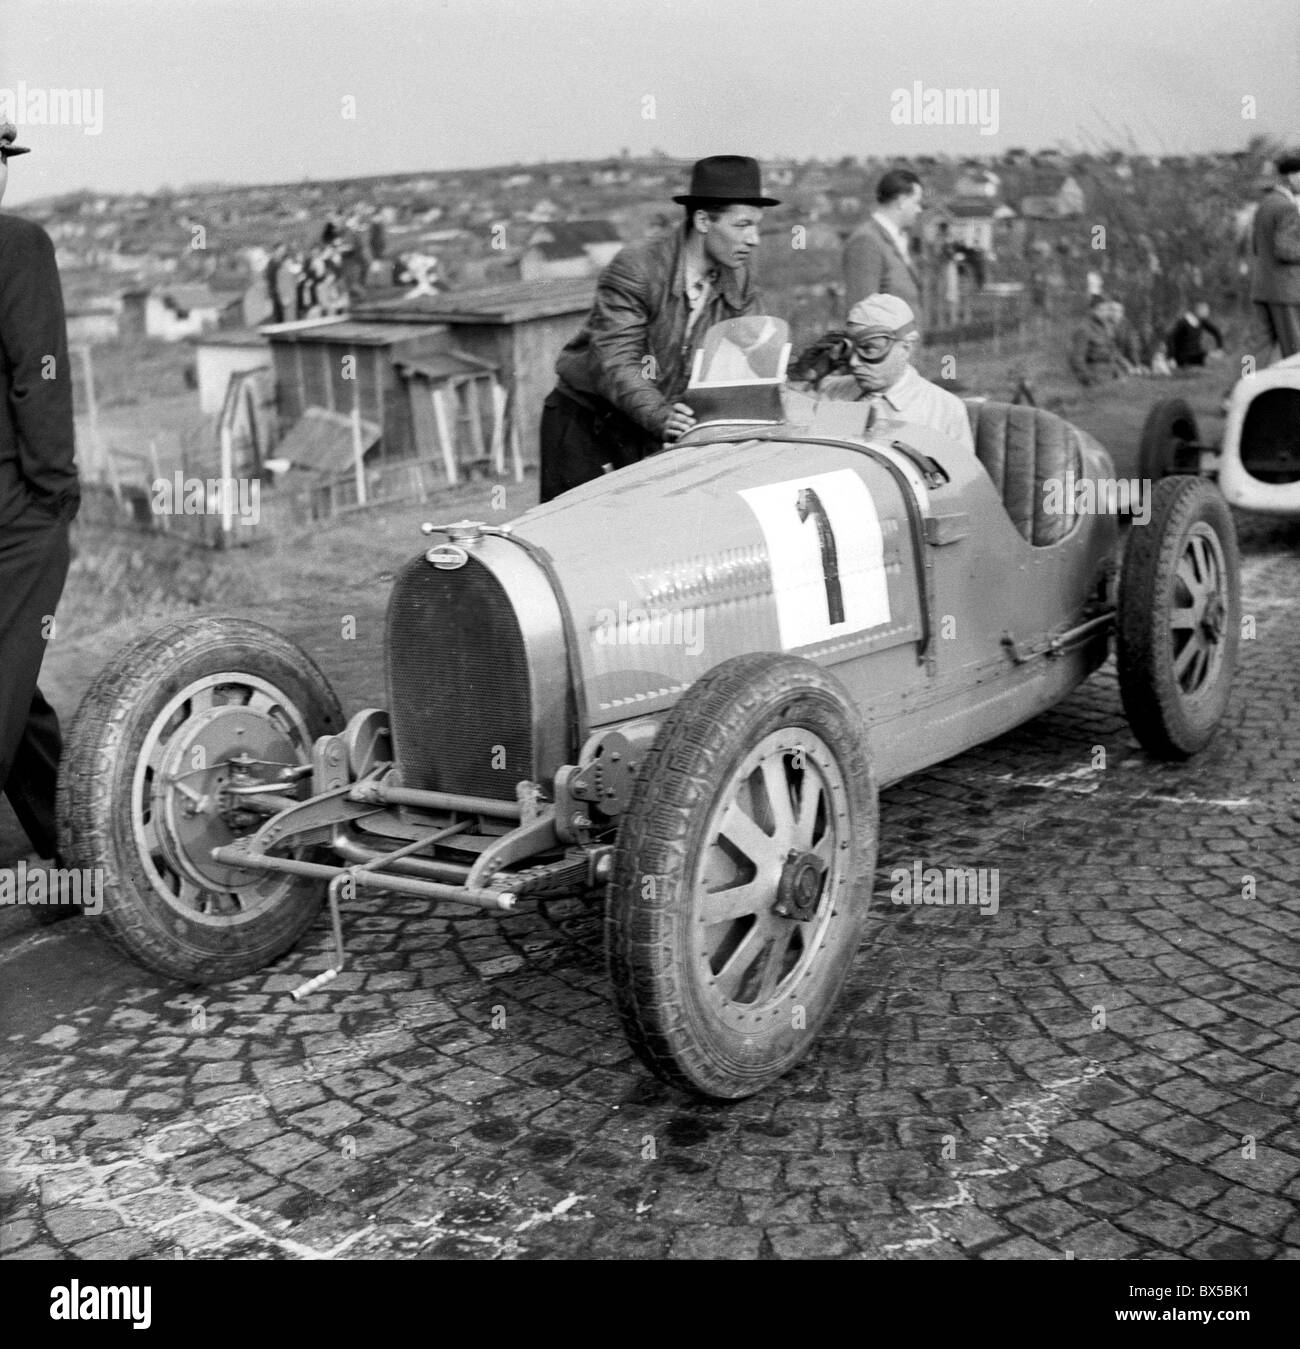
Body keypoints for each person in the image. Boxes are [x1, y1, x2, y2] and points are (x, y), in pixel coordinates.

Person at [539, 155, 778, 502]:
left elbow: (759, 352)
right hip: (587, 425)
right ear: (703, 221)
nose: (754, 238)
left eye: (756, 225)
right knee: (572, 539)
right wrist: (660, 414)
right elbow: (615, 362)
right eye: (742, 225)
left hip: (650, 427)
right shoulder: (638, 268)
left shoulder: (737, 276)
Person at [0, 122, 80, 872]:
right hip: (13, 504)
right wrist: (57, 490)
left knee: (16, 688)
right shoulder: (18, 244)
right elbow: (40, 375)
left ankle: (82, 857)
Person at [815, 294, 975, 453]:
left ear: (906, 348)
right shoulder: (832, 392)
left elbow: (964, 476)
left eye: (869, 349)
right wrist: (804, 382)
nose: (854, 362)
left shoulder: (944, 410)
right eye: (850, 350)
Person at [842, 169, 924, 328]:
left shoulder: (897, 239)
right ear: (902, 201)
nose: (919, 210)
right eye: (916, 202)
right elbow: (861, 315)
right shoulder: (867, 241)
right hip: (886, 351)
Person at [1249, 150, 1300, 362]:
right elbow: (1286, 250)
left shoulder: (1265, 204)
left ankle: (1242, 390)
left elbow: (1256, 246)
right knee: (1295, 353)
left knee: (1256, 350)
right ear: (1291, 176)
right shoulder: (1288, 208)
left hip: (1262, 288)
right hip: (1286, 291)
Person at [1069, 295, 1129, 387]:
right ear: (1093, 310)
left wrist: (1125, 365)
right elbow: (1077, 359)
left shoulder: (1106, 328)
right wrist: (1088, 380)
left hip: (1111, 376)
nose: (1106, 313)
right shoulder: (1084, 329)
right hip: (1095, 379)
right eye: (1102, 310)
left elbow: (1113, 351)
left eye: (1106, 310)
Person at [1165, 300, 1225, 369]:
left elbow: (1216, 332)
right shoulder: (1183, 322)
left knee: (1215, 359)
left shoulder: (1201, 321)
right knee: (1209, 361)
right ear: (1198, 310)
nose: (1207, 312)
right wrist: (1171, 357)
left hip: (1197, 354)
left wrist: (1219, 347)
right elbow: (1170, 338)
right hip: (1183, 356)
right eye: (1205, 310)